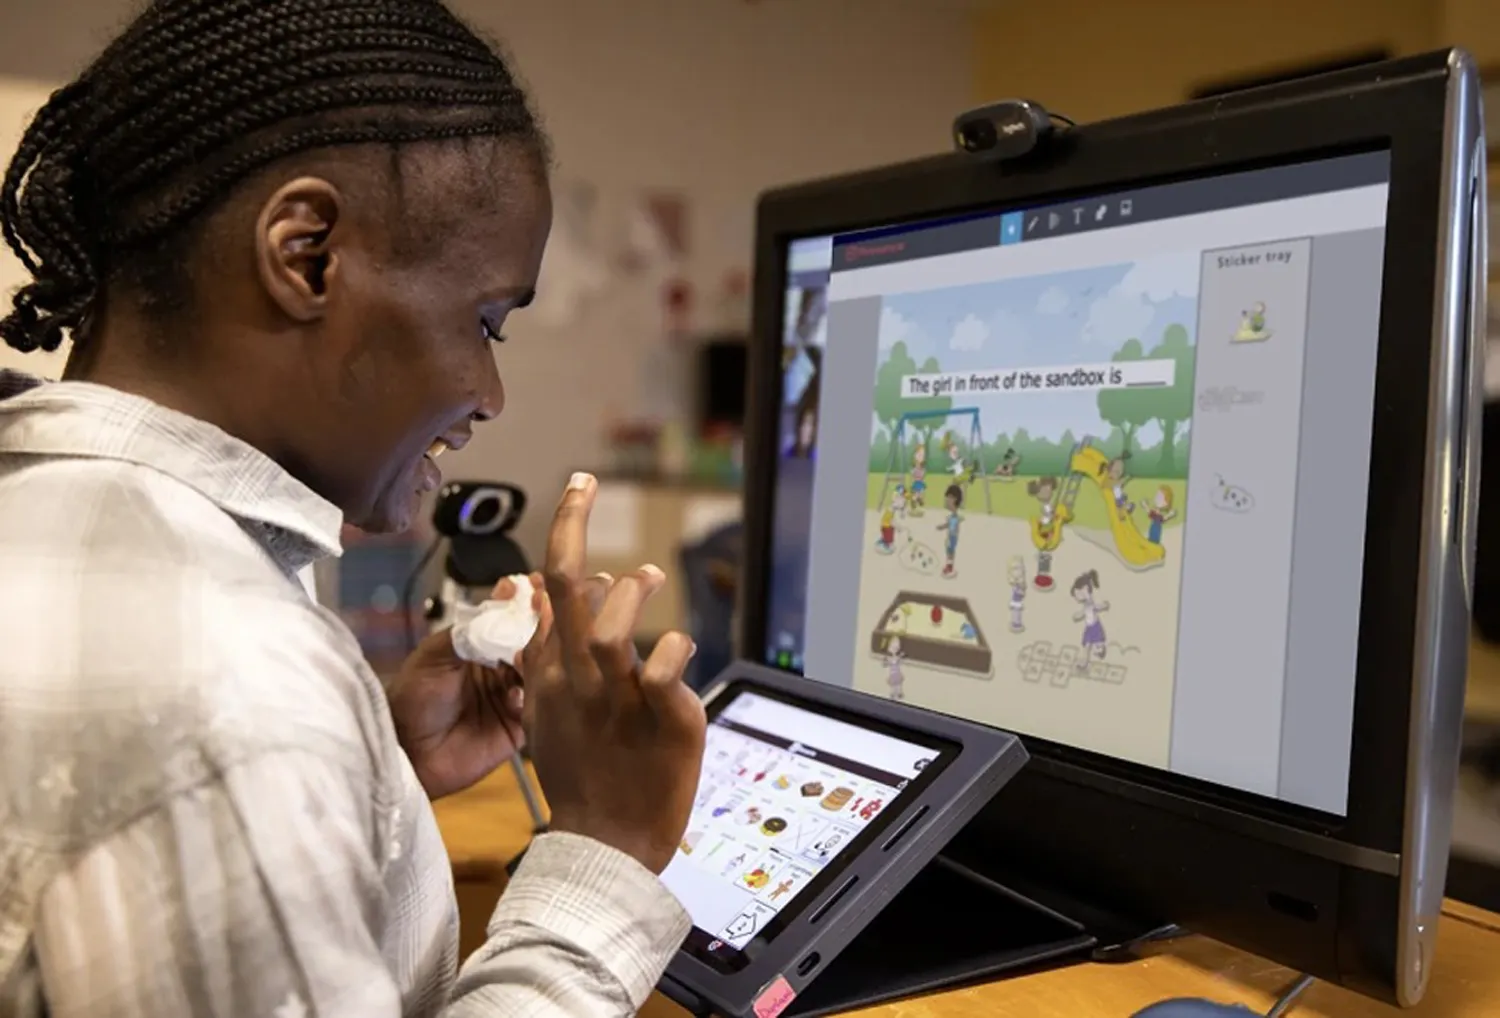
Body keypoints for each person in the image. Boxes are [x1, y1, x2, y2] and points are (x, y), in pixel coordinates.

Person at [0, 3, 705, 1016]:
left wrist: (368, 772)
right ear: (309, 253)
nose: (490, 395)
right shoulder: (225, 681)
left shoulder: (47, 513)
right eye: (487, 321)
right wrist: (601, 853)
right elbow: (201, 734)